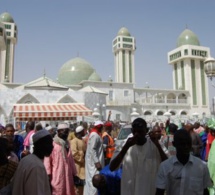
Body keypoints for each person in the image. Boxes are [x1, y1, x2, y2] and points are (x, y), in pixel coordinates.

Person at [110, 118, 167, 195]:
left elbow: (167, 165)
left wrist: (157, 145)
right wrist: (126, 147)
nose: (137, 134)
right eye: (134, 131)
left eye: (140, 132)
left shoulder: (155, 144)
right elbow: (112, 167)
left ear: (146, 131)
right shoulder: (125, 144)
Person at [155, 129, 212, 195]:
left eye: (188, 143)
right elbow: (159, 192)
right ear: (174, 144)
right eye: (182, 144)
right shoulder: (165, 166)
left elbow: (205, 191)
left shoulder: (202, 166)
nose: (186, 146)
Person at [12, 129, 53, 195]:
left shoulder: (27, 160)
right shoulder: (36, 166)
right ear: (41, 145)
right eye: (49, 144)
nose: (52, 147)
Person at [44, 123, 77, 195]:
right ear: (58, 132)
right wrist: (48, 176)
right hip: (57, 177)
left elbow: (71, 160)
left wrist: (74, 174)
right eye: (63, 131)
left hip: (68, 177)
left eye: (66, 132)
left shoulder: (68, 144)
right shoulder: (53, 144)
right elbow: (47, 162)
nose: (65, 134)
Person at [84, 121, 105, 195]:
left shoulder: (95, 135)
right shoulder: (95, 135)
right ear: (100, 127)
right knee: (95, 180)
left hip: (94, 162)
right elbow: (92, 149)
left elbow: (96, 147)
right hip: (94, 164)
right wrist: (97, 162)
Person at [70, 125, 86, 195]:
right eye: (83, 131)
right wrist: (82, 157)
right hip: (77, 166)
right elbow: (74, 154)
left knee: (82, 186)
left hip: (83, 166)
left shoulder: (82, 140)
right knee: (77, 186)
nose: (85, 132)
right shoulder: (74, 141)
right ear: (80, 132)